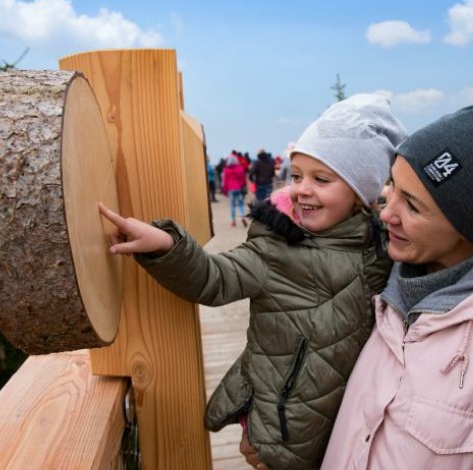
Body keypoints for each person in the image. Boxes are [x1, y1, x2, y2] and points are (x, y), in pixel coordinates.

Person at [242, 96, 473, 469]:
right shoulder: (378, 282)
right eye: (392, 187)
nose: (386, 212)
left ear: (469, 225)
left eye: (412, 205)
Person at [99, 93, 407, 469]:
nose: (301, 189)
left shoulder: (384, 247)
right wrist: (166, 245)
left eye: (321, 179)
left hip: (351, 430)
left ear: (361, 193)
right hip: (282, 430)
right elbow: (215, 279)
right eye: (296, 176)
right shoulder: (275, 246)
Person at [221, 155, 248, 227]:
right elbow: (243, 180)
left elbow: (225, 181)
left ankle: (233, 221)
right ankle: (242, 217)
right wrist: (243, 185)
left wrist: (224, 190)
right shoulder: (240, 168)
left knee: (232, 205)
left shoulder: (226, 170)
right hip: (238, 188)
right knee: (240, 204)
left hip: (230, 189)